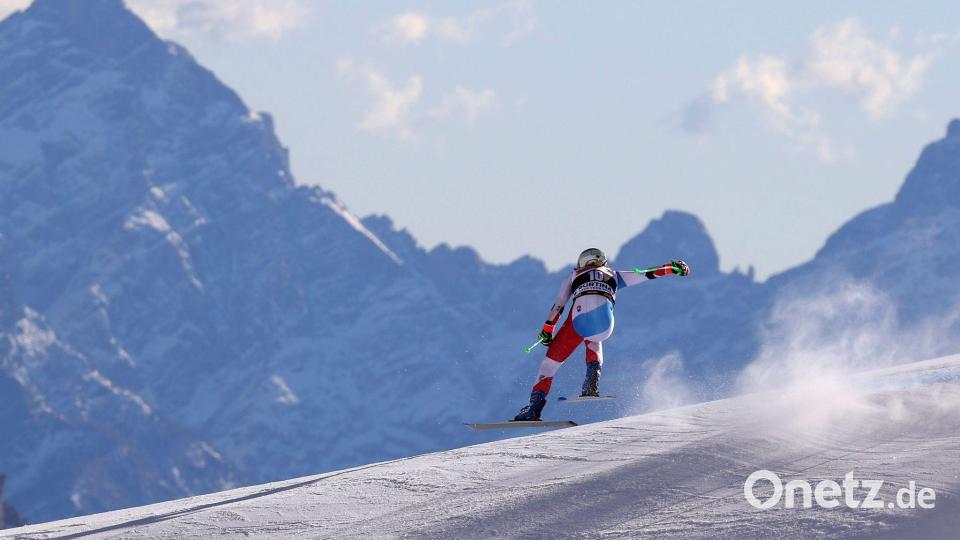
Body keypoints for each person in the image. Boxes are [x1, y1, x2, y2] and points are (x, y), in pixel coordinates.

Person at [513, 248, 689, 421]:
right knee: (593, 336)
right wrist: (672, 268)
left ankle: (534, 408)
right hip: (605, 325)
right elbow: (647, 273)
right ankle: (591, 383)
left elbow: (559, 306)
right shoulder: (615, 275)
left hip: (578, 322)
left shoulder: (573, 276)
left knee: (548, 365)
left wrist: (547, 330)